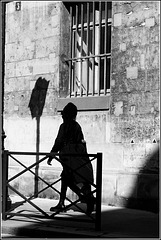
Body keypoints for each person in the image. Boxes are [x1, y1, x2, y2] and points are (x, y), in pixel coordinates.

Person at [47, 102, 95, 214]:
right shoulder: (77, 126)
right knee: (69, 178)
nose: (62, 116)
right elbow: (82, 142)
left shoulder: (64, 126)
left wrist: (51, 155)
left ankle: (88, 199)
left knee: (72, 179)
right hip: (78, 158)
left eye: (64, 114)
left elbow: (58, 142)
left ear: (67, 115)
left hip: (68, 157)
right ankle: (64, 202)